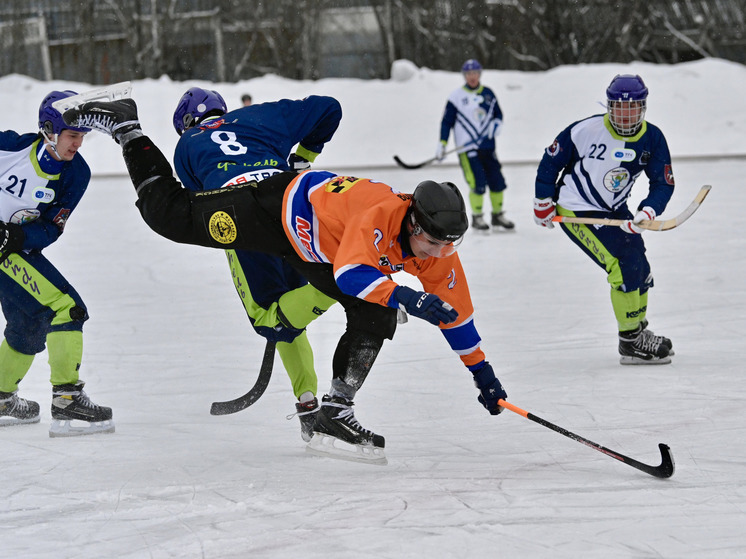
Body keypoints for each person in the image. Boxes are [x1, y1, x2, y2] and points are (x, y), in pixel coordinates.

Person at [62, 98, 508, 464]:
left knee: (377, 308)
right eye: (433, 244)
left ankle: (336, 410)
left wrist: (482, 374)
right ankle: (127, 127)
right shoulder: (376, 216)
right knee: (169, 217)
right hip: (271, 210)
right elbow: (353, 274)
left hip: (317, 242)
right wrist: (411, 297)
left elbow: (458, 319)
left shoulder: (439, 254)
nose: (440, 255)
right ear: (411, 223)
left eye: (451, 246)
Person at [171, 86, 340, 441]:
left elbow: (200, 200)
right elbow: (328, 109)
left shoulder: (186, 143)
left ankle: (347, 289)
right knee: (293, 308)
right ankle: (307, 403)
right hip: (293, 208)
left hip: (241, 217)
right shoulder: (257, 117)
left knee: (272, 319)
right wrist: (302, 159)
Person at [533, 74, 675, 365]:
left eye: (633, 107)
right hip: (577, 211)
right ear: (609, 106)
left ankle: (638, 331)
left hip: (615, 210)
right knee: (622, 266)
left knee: (640, 266)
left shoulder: (653, 137)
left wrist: (648, 209)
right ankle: (630, 342)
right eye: (619, 107)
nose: (625, 114)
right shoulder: (585, 130)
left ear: (643, 107)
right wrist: (543, 202)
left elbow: (663, 183)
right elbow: (551, 163)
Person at [0, 90, 113, 436]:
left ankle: (2, 399)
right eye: (72, 135)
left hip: (12, 251)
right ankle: (67, 399)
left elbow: (52, 227)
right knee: (68, 307)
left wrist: (16, 238)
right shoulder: (9, 146)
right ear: (49, 130)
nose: (78, 144)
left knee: (29, 324)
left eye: (81, 136)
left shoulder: (76, 174)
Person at [437, 59, 514, 232]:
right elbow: (446, 122)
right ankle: (477, 217)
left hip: (488, 147)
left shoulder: (488, 94)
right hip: (468, 149)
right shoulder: (456, 97)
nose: (472, 77)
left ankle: (497, 215)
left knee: (497, 181)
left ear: (480, 74)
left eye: (475, 73)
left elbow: (498, 114)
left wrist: (497, 123)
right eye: (469, 74)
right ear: (464, 76)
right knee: (478, 182)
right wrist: (442, 143)